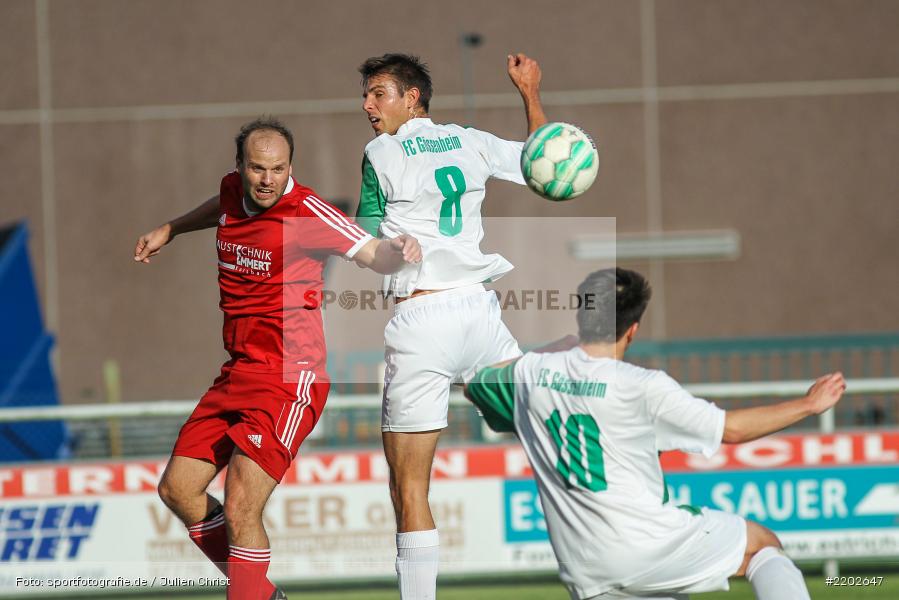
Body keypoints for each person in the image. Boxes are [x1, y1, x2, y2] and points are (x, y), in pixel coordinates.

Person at [134, 117, 421, 600]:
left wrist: (400, 251)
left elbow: (371, 253)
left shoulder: (307, 211)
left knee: (242, 504)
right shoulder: (232, 192)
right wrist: (173, 228)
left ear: (291, 166)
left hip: (290, 379)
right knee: (178, 490)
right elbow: (223, 207)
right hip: (238, 371)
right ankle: (262, 594)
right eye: (258, 168)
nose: (268, 179)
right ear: (241, 168)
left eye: (279, 169)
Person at [465, 267, 846, 600]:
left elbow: (475, 383)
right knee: (761, 544)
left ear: (581, 318)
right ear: (633, 330)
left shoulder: (531, 374)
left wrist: (556, 348)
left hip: (584, 566)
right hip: (644, 544)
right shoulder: (642, 387)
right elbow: (731, 429)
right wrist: (809, 405)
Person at [354, 52, 547, 599]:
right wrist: (530, 92)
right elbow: (542, 164)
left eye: (379, 93)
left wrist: (386, 249)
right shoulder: (469, 138)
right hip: (481, 314)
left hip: (423, 321)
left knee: (409, 486)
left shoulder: (380, 151)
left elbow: (361, 242)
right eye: (367, 94)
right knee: (550, 437)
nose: (368, 105)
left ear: (412, 97)